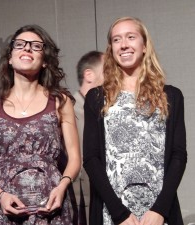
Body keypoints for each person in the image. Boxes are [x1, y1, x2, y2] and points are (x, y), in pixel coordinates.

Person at [0, 24, 81, 225]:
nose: (27, 48)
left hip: (51, 207)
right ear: (10, 59)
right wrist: (1, 195)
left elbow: (75, 158)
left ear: (45, 61)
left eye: (36, 46)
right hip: (7, 209)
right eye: (20, 44)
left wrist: (62, 186)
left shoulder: (60, 102)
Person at [83, 17, 187, 225]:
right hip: (113, 213)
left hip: (158, 213)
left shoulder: (171, 96)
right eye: (116, 40)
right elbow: (91, 159)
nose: (123, 45)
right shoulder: (96, 97)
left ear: (144, 45)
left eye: (131, 37)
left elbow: (178, 155)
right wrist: (119, 213)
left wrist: (160, 209)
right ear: (111, 48)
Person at [72, 51, 104, 224]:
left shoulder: (109, 111)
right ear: (89, 75)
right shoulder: (68, 110)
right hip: (78, 205)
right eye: (109, 69)